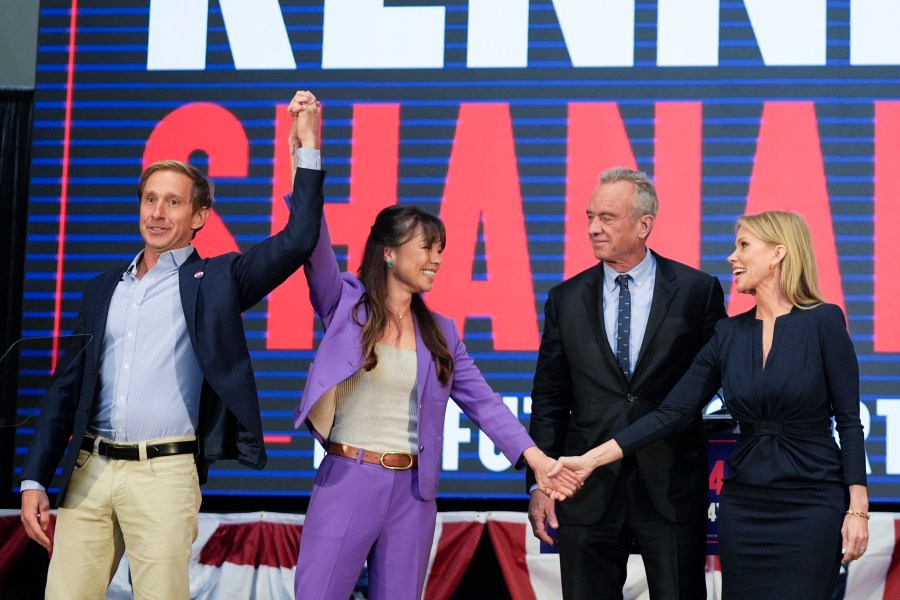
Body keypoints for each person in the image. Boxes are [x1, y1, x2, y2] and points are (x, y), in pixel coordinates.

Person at [18, 90, 325, 599]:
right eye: (150, 199)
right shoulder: (101, 289)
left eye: (174, 202)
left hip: (164, 474)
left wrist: (306, 149)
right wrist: (33, 479)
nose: (158, 213)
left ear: (200, 216)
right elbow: (64, 390)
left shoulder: (219, 279)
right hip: (88, 470)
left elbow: (297, 239)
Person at [290, 117, 580, 600]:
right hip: (348, 480)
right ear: (388, 253)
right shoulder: (344, 304)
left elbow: (485, 403)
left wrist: (537, 459)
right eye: (427, 247)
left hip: (413, 495)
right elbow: (311, 239)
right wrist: (308, 152)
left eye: (440, 249)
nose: (437, 259)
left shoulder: (440, 332)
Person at [548, 210, 869, 599]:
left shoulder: (825, 322)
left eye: (744, 246)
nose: (733, 257)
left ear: (778, 253)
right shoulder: (728, 333)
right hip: (744, 507)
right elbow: (672, 412)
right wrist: (591, 459)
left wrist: (857, 509)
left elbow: (850, 423)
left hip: (812, 506)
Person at [527, 167, 727, 599]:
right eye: (590, 216)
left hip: (670, 484)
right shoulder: (565, 298)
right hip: (584, 488)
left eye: (608, 218)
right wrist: (538, 483)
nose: (594, 228)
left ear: (644, 225)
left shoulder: (697, 291)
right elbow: (548, 397)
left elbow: (715, 381)